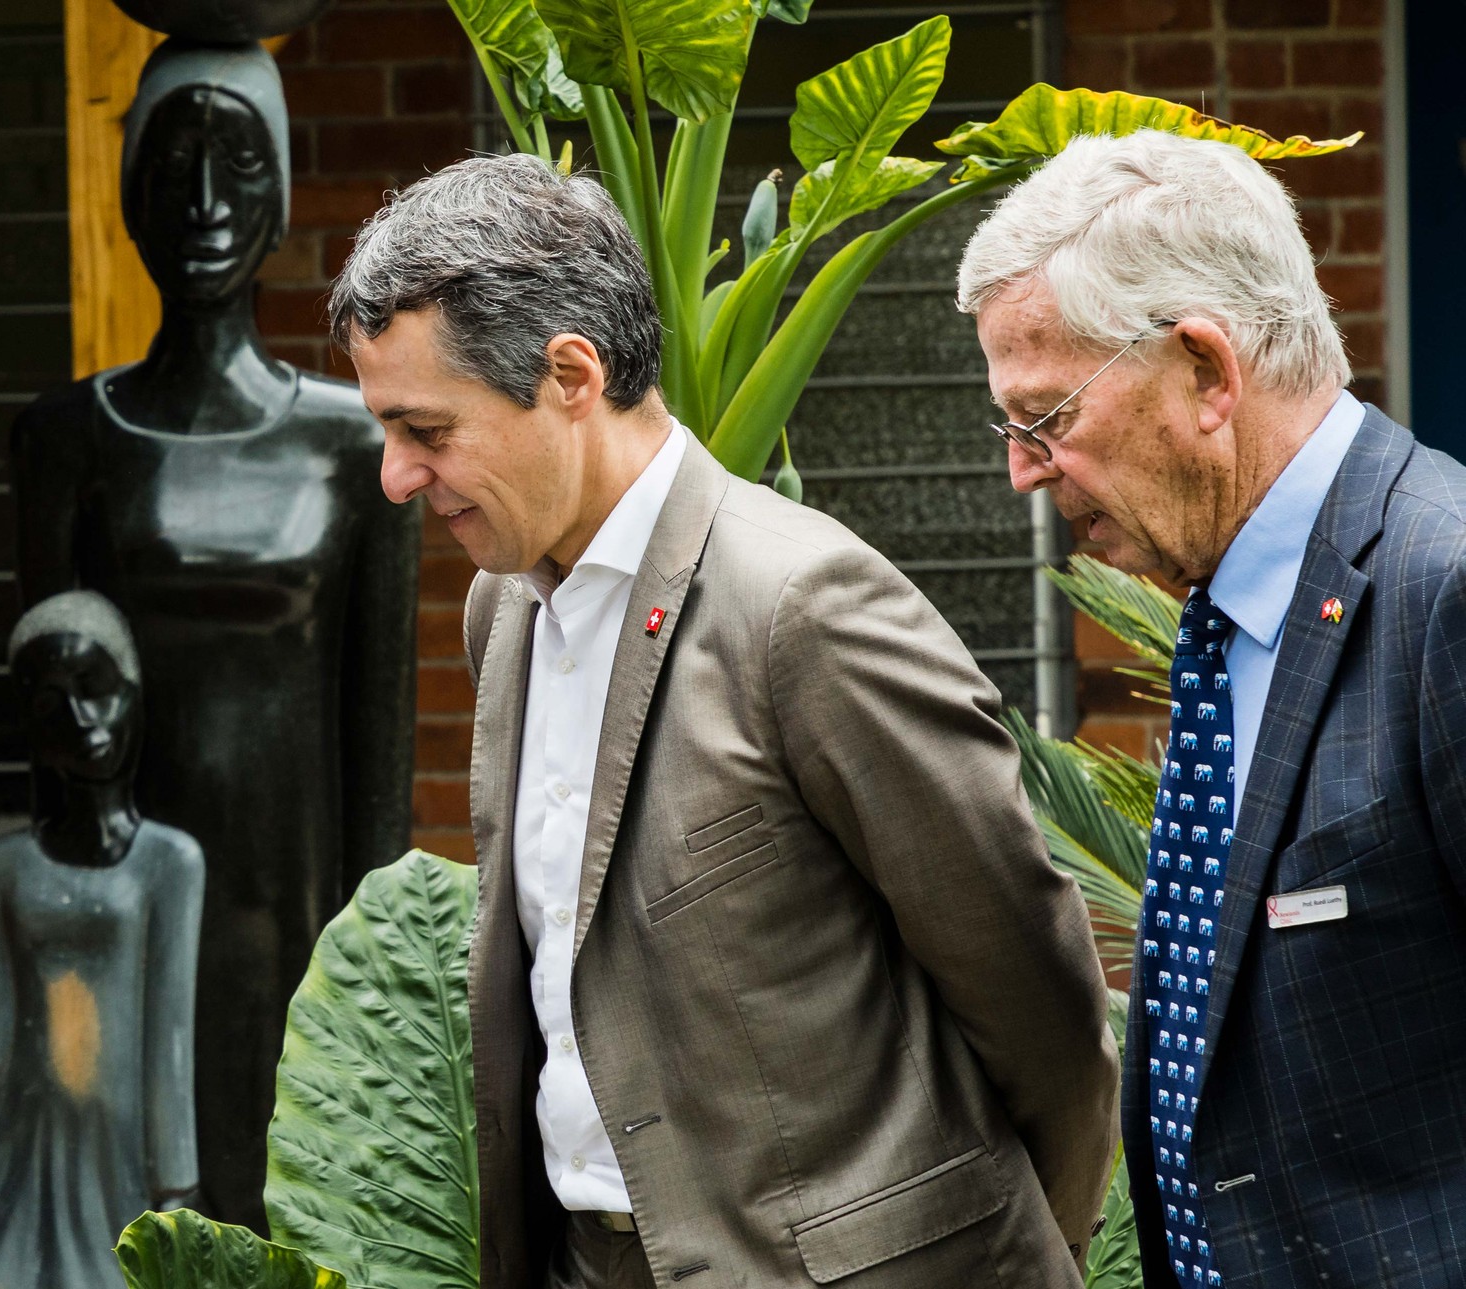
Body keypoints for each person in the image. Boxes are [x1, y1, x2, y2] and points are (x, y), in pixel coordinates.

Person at [328, 153, 1118, 1289]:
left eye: (427, 430)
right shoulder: (501, 608)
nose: (398, 476)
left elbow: (1037, 1000)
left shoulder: (804, 606)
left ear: (570, 373)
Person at [959, 128, 1466, 1289]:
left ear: (1205, 369)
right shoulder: (1227, 607)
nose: (1023, 473)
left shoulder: (1444, 586)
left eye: (1045, 419)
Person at [9, 39, 420, 1228]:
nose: (203, 205)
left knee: (288, 1213)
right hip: (122, 914)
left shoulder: (352, 444)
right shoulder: (68, 442)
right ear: (127, 188)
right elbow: (48, 734)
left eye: (238, 165)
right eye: (172, 165)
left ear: (282, 189)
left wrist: (377, 988)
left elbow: (381, 742)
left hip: (295, 916)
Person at [0, 591, 203, 1288]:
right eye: (52, 704)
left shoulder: (169, 862)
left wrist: (177, 1190)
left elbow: (168, 1045)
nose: (82, 719)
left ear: (132, 690)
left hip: (117, 1160)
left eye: (95, 689)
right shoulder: (1, 868)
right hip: (19, 1149)